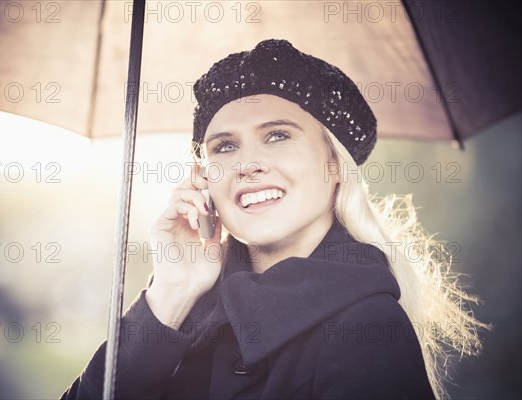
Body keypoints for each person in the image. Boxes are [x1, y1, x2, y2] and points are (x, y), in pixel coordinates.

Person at [61, 39, 485, 399]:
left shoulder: (369, 328)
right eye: (224, 147)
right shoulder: (186, 312)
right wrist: (171, 294)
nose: (248, 164)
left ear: (334, 165)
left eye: (277, 135)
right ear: (203, 179)